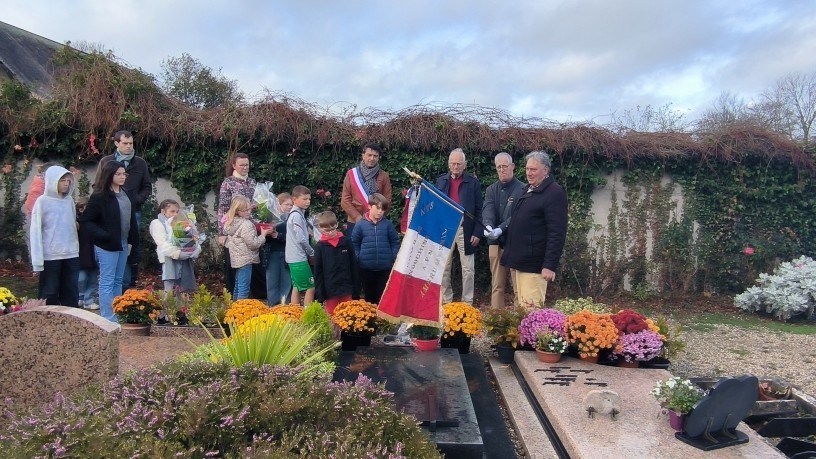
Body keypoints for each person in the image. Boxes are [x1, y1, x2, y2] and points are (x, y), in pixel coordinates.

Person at [501, 151, 568, 308]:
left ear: (545, 170)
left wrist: (549, 265)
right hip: (519, 261)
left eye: (533, 169)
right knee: (521, 310)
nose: (529, 173)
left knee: (532, 311)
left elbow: (557, 232)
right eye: (527, 169)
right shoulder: (527, 189)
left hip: (534, 265)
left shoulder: (554, 193)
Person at [79, 161, 139, 322]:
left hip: (123, 243)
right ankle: (107, 317)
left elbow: (131, 219)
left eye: (124, 174)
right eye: (118, 174)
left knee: (118, 280)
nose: (122, 177)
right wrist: (104, 235)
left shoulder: (126, 193)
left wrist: (133, 240)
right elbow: (86, 220)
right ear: (109, 175)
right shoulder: (100, 196)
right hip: (107, 245)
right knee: (107, 280)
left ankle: (117, 313)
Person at [97, 130, 152, 288]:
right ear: (116, 143)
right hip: (110, 211)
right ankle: (111, 281)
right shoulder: (106, 161)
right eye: (125, 143)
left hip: (133, 211)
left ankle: (127, 283)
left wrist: (136, 201)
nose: (129, 146)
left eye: (131, 143)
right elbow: (98, 184)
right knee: (111, 243)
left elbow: (147, 186)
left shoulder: (140, 163)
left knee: (130, 244)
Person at [435, 148, 482, 304]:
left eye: (459, 164)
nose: (456, 167)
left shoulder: (473, 183)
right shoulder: (440, 181)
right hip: (445, 229)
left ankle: (467, 303)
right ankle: (446, 301)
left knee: (468, 269)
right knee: (443, 267)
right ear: (449, 164)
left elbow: (479, 210)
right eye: (453, 163)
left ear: (465, 165)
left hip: (466, 229)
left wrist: (477, 232)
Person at [216, 152, 266, 298]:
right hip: (235, 228)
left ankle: (255, 296)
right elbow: (223, 207)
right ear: (234, 165)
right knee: (236, 267)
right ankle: (236, 298)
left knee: (253, 263)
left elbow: (257, 203)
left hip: (251, 227)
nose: (245, 167)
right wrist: (221, 233)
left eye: (247, 165)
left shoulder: (252, 182)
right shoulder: (228, 183)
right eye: (242, 165)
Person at [29, 165, 80, 307]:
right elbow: (35, 231)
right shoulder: (42, 202)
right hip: (51, 256)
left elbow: (72, 226)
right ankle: (47, 319)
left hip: (71, 254)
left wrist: (75, 248)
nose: (66, 183)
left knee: (71, 292)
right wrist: (37, 261)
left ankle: (70, 318)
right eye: (62, 180)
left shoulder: (69, 201)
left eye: (68, 180)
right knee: (49, 293)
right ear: (53, 181)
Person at [482, 152, 525, 309]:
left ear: (512, 166)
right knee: (497, 285)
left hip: (514, 243)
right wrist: (488, 225)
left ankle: (519, 318)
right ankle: (496, 318)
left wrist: (501, 229)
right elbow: (488, 209)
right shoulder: (491, 189)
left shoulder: (523, 189)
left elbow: (519, 215)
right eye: (498, 167)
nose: (501, 170)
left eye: (504, 166)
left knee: (518, 286)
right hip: (495, 243)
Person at [351, 193, 400, 304]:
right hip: (366, 269)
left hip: (385, 268)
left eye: (383, 209)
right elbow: (354, 244)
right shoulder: (360, 225)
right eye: (377, 208)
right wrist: (359, 258)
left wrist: (392, 257)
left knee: (383, 298)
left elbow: (395, 242)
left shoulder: (387, 224)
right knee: (369, 298)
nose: (380, 211)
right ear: (369, 206)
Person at [224, 195, 272, 300]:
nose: (248, 212)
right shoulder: (246, 224)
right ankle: (241, 309)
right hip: (246, 259)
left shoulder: (231, 222)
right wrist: (263, 235)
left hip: (237, 259)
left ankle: (234, 307)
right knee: (244, 288)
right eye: (244, 210)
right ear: (237, 211)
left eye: (249, 209)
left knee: (238, 285)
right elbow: (253, 244)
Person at [148, 199, 201, 293]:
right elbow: (162, 243)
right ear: (163, 211)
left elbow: (195, 238)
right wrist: (177, 253)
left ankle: (181, 302)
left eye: (177, 212)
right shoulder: (157, 223)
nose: (175, 214)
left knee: (182, 288)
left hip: (185, 257)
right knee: (169, 287)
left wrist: (195, 249)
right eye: (172, 211)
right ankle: (168, 303)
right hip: (168, 258)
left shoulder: (182, 222)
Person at [313, 211, 360, 314]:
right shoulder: (320, 247)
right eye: (327, 230)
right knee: (331, 315)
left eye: (332, 229)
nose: (330, 232)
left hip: (347, 287)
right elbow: (318, 272)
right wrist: (320, 295)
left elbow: (353, 266)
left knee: (348, 315)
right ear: (320, 228)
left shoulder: (346, 242)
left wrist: (356, 290)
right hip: (330, 290)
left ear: (337, 225)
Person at [340, 143, 392, 235]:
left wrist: (377, 216)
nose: (372, 158)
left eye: (375, 156)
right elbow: (345, 200)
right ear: (363, 155)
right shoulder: (351, 174)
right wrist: (358, 218)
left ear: (379, 158)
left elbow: (387, 200)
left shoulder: (384, 176)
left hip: (376, 221)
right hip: (355, 222)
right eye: (369, 155)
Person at [285, 185, 315, 306]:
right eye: (304, 199)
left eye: (309, 199)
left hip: (293, 257)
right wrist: (312, 252)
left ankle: (294, 312)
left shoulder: (297, 214)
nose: (308, 201)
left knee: (296, 286)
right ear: (294, 199)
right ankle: (308, 313)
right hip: (298, 258)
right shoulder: (296, 215)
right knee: (310, 287)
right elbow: (301, 239)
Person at [266, 193, 293, 305]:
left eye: (291, 205)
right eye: (287, 204)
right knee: (272, 280)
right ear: (279, 205)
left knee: (286, 281)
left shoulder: (293, 218)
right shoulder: (270, 217)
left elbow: (293, 238)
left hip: (287, 253)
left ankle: (284, 305)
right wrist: (267, 232)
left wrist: (279, 236)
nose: (289, 207)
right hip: (273, 252)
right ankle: (273, 305)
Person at [76, 197, 99, 310]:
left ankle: (88, 299)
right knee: (81, 278)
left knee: (93, 279)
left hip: (93, 253)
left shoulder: (96, 221)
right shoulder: (77, 223)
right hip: (81, 254)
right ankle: (80, 296)